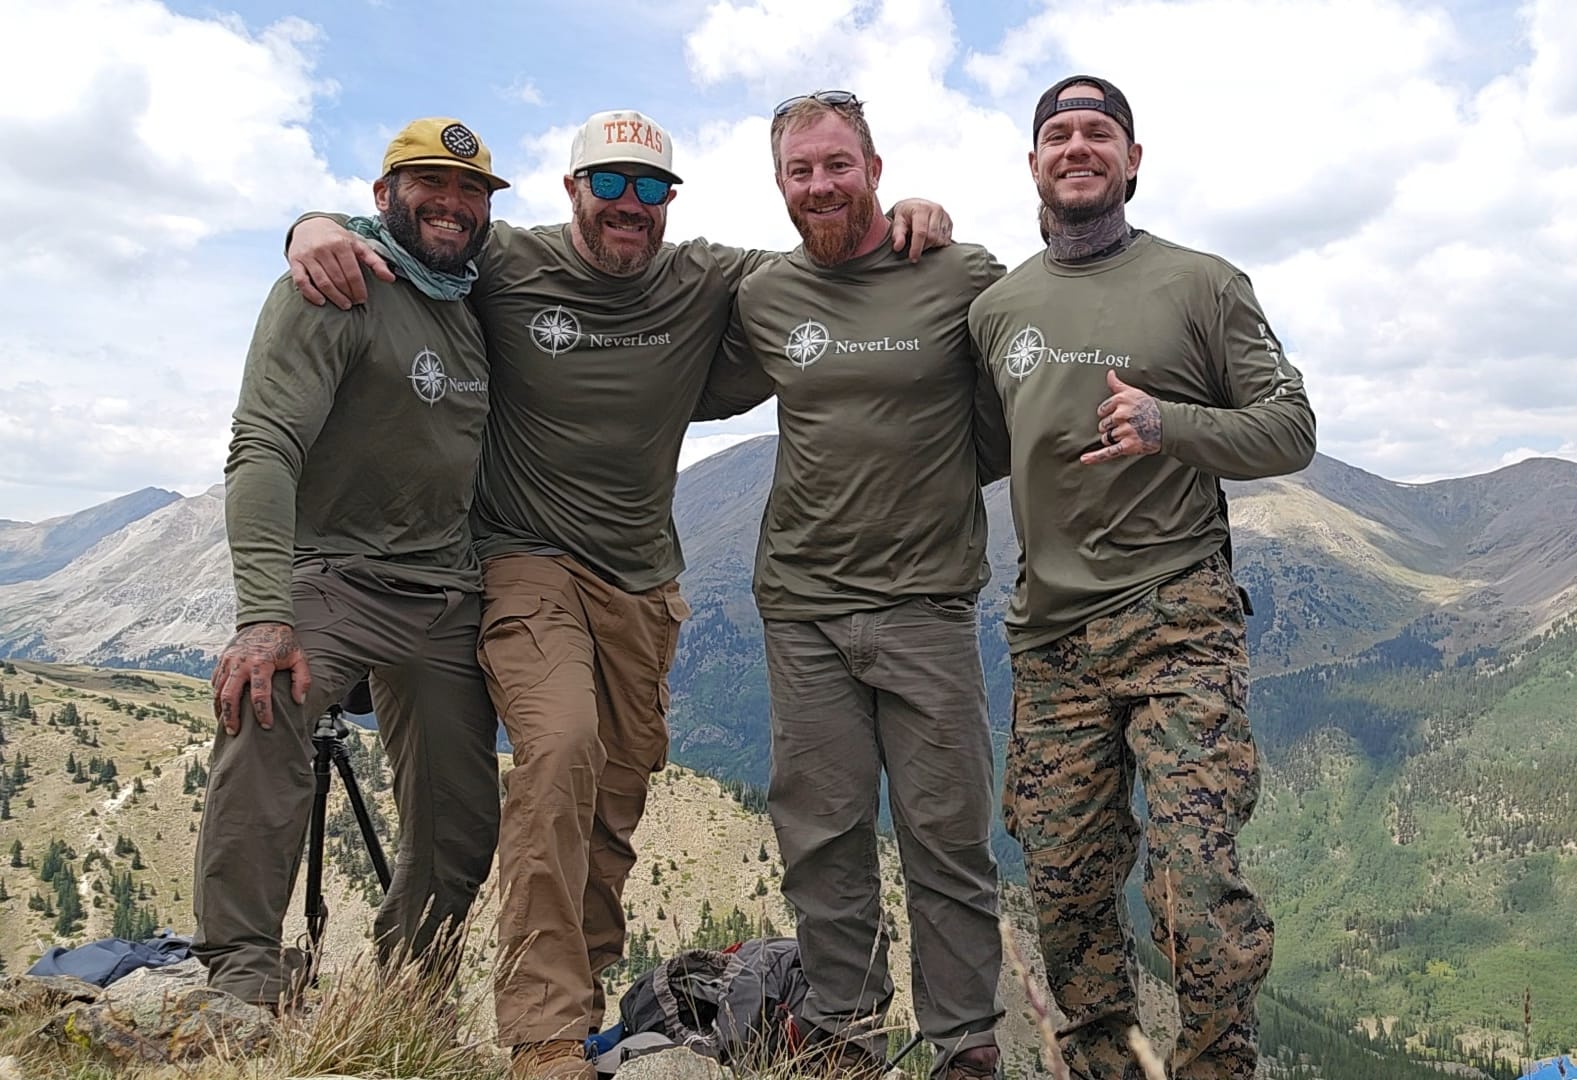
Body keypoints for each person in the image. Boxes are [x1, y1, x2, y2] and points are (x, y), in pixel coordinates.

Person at [284, 109, 951, 1080]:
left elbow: (827, 253)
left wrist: (905, 218)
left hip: (643, 584)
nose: (629, 204)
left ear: (668, 200)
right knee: (560, 751)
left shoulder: (703, 275)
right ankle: (542, 1033)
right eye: (609, 183)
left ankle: (581, 1007)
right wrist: (313, 224)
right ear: (573, 189)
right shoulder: (508, 261)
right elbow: (417, 231)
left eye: (649, 187)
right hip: (524, 562)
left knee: (613, 803)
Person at [968, 76, 1318, 1079]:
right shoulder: (998, 310)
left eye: (1099, 133)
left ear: (1132, 160)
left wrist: (1170, 425)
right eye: (1058, 134)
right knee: (1066, 894)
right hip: (1051, 642)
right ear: (1034, 163)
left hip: (1180, 620)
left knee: (1194, 887)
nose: (1077, 147)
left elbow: (1290, 429)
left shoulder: (1203, 285)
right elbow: (981, 449)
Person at [699, 90, 1005, 1079]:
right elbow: (651, 308)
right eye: (801, 170)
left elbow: (1017, 404)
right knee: (822, 837)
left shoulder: (958, 273)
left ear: (875, 168)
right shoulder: (764, 292)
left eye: (839, 164)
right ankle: (842, 1034)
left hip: (928, 606)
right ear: (779, 183)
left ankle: (964, 1044)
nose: (821, 185)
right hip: (804, 608)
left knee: (947, 839)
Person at [200, 117, 508, 1009]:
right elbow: (264, 442)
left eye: (471, 190)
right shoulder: (333, 287)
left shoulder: (474, 292)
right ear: (383, 196)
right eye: (429, 184)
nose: (452, 203)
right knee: (264, 706)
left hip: (445, 592)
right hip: (335, 575)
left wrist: (311, 218)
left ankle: (408, 1000)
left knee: (460, 818)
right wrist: (264, 615)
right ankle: (243, 976)